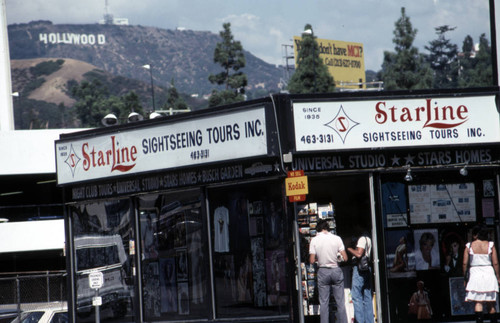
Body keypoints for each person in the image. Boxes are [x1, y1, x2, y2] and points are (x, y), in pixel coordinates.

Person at [309, 219, 348, 323]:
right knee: (340, 302)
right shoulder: (337, 238)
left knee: (324, 303)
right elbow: (345, 257)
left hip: (323, 271)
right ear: (327, 228)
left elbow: (312, 260)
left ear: (319, 229)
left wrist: (319, 259)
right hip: (335, 269)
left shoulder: (314, 240)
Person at [463, 224, 500, 323]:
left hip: (475, 273)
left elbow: (464, 263)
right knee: (491, 303)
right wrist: (498, 277)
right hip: (488, 272)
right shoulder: (490, 245)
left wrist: (465, 278)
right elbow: (495, 263)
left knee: (478, 302)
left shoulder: (469, 246)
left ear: (475, 235)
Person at [347, 229, 374, 323]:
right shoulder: (369, 239)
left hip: (359, 269)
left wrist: (349, 248)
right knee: (367, 296)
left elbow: (359, 254)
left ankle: (360, 320)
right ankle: (369, 320)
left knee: (356, 295)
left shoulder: (362, 239)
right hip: (367, 268)